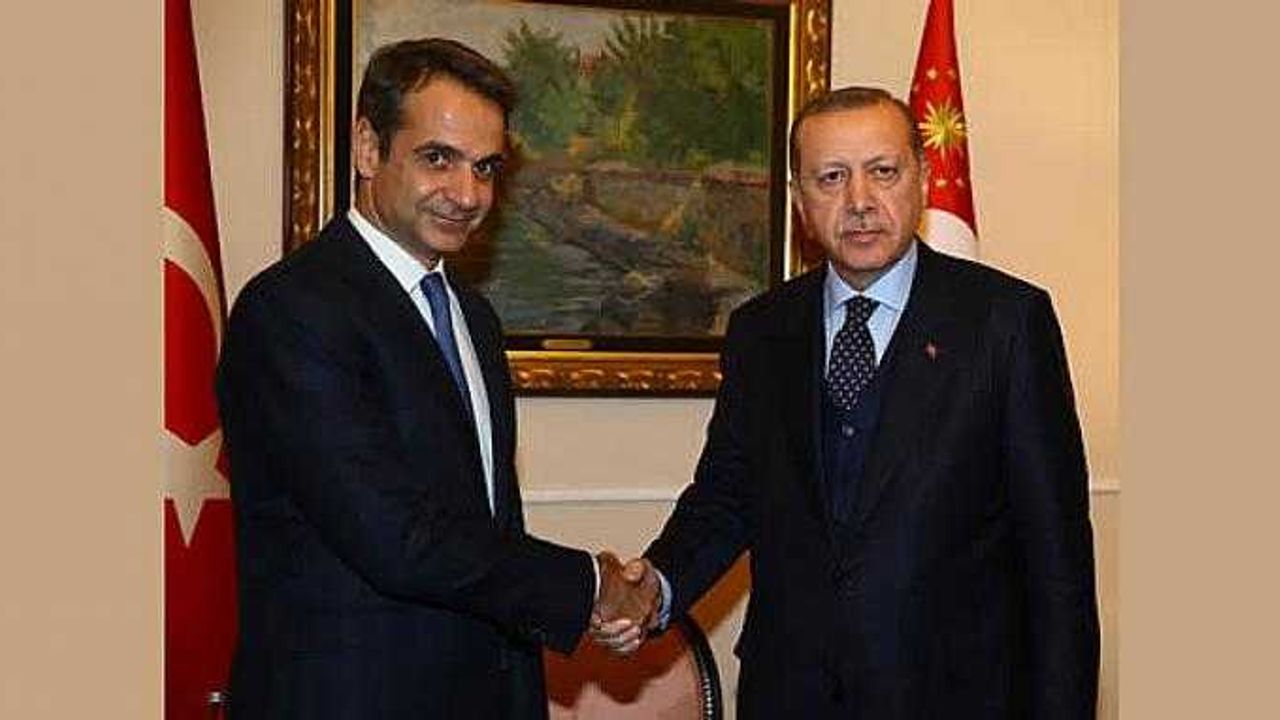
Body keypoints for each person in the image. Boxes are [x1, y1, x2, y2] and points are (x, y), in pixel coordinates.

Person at [598, 87, 1100, 718]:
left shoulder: (1006, 322)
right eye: (831, 178)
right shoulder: (761, 330)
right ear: (800, 199)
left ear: (921, 179)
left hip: (955, 698)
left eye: (883, 172)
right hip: (791, 696)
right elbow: (727, 495)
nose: (860, 201)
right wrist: (659, 584)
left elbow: (1057, 561)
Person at [216, 38, 654, 719]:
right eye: (438, 159)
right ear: (369, 149)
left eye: (486, 168)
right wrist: (588, 585)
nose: (467, 194)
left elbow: (486, 524)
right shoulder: (292, 310)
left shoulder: (472, 316)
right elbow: (396, 536)